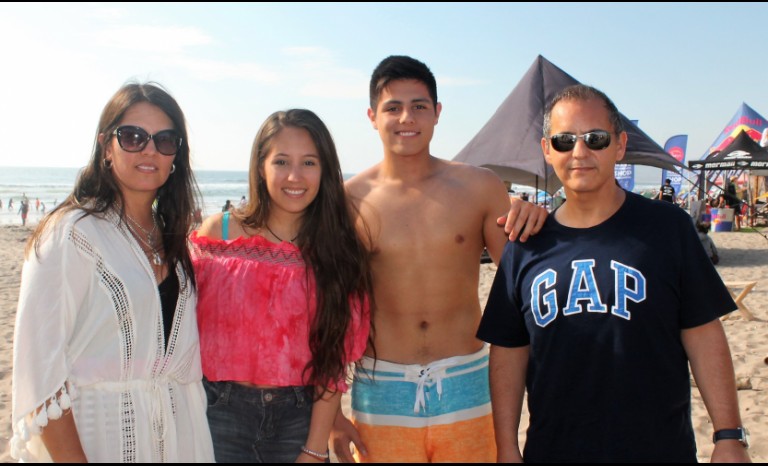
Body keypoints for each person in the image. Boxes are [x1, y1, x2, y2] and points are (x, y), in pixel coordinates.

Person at [477, 84, 750, 462]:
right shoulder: (525, 244)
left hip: (659, 450)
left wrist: (729, 436)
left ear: (619, 146)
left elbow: (703, 333)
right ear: (546, 150)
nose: (579, 152)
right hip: (553, 451)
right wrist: (506, 446)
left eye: (596, 138)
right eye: (564, 140)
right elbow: (509, 351)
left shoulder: (668, 228)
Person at [331, 55, 547, 463]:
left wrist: (540, 221)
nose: (405, 117)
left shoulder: (479, 187)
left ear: (437, 113)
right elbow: (326, 308)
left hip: (467, 379)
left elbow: (526, 282)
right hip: (381, 386)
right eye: (392, 107)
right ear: (372, 117)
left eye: (419, 106)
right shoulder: (349, 202)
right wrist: (330, 415)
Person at [10, 82, 214, 462]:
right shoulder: (72, 234)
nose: (150, 149)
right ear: (106, 146)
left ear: (176, 156)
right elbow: (40, 375)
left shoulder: (171, 238)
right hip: (102, 441)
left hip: (180, 441)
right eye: (133, 136)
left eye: (165, 140)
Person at [190, 109, 371, 463]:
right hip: (216, 414)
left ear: (325, 170)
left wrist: (314, 448)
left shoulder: (337, 249)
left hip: (299, 418)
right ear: (261, 167)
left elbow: (332, 361)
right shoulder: (218, 235)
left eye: (309, 163)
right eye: (281, 162)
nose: (294, 176)